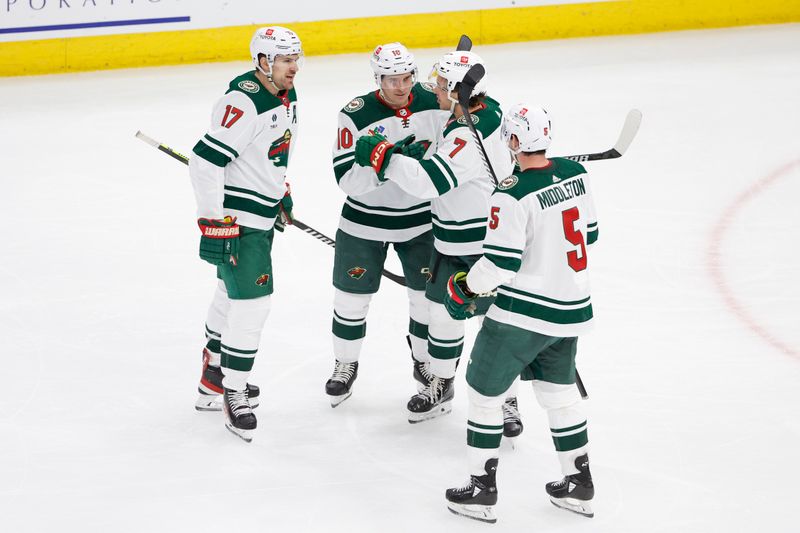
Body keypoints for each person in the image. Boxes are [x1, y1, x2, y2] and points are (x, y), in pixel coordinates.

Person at [442, 104, 598, 523]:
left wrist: (463, 285)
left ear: (512, 142)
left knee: (485, 394)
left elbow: (499, 265)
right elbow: (591, 234)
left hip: (520, 315)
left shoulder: (510, 193)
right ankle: (578, 483)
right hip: (569, 309)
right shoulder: (576, 174)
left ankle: (480, 489)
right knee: (559, 395)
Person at [353, 50, 519, 425]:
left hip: (475, 246)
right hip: (455, 240)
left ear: (460, 92)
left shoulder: (465, 134)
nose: (435, 89)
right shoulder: (487, 110)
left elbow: (430, 182)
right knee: (442, 319)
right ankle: (441, 385)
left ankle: (507, 401)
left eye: (443, 85)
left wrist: (385, 158)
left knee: (491, 323)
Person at [188, 26, 302, 442]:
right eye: (284, 60)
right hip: (239, 222)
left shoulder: (286, 95)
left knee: (228, 295)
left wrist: (281, 191)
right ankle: (234, 391)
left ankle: (213, 377)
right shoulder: (243, 100)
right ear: (263, 61)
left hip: (261, 213)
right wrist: (212, 218)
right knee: (253, 304)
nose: (293, 67)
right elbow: (204, 162)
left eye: (295, 59)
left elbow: (274, 151)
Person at [325, 43, 449, 407]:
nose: (401, 86)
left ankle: (425, 364)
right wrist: (387, 167)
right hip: (364, 222)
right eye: (392, 79)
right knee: (351, 299)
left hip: (421, 221)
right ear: (377, 78)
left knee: (425, 300)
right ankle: (345, 364)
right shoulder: (356, 114)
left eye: (407, 77)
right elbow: (346, 178)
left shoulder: (436, 101)